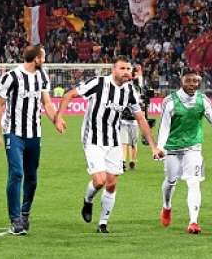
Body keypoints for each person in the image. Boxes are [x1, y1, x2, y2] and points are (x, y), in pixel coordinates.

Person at [54, 56, 164, 233]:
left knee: (111, 184)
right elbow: (70, 94)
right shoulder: (98, 83)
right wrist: (59, 117)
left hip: (114, 140)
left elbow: (141, 118)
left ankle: (103, 224)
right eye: (122, 68)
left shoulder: (129, 91)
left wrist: (153, 146)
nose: (126, 72)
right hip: (92, 139)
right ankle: (88, 200)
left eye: (128, 69)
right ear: (113, 70)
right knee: (100, 180)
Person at [158, 69, 212, 234]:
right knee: (171, 181)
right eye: (189, 81)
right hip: (172, 147)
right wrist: (159, 147)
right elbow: (164, 127)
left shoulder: (203, 100)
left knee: (193, 182)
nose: (192, 84)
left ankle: (193, 222)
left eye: (195, 81)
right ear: (181, 81)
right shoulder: (170, 101)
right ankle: (167, 206)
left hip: (193, 147)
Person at [0, 45, 57, 235]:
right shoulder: (11, 77)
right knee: (16, 173)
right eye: (43, 57)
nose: (44, 60)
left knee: (31, 176)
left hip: (34, 134)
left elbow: (46, 102)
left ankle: (25, 212)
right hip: (13, 133)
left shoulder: (42, 77)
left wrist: (56, 120)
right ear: (36, 58)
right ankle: (15, 220)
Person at [120, 65, 144, 171]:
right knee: (130, 142)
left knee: (126, 142)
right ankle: (129, 161)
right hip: (131, 118)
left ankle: (126, 161)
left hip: (127, 118)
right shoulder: (137, 87)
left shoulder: (124, 86)